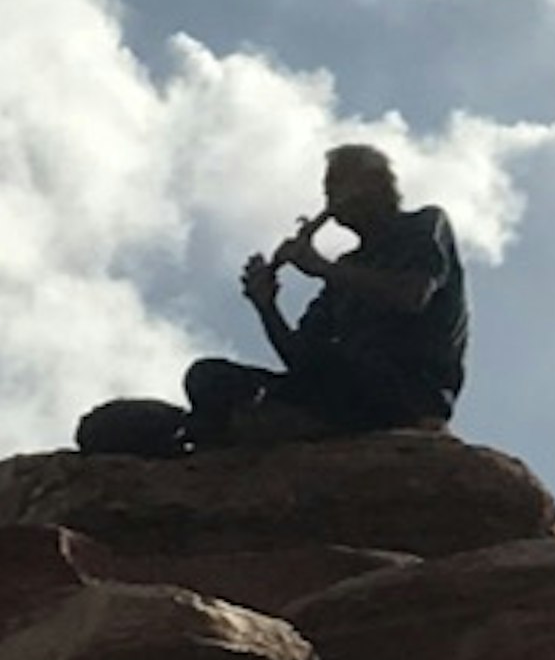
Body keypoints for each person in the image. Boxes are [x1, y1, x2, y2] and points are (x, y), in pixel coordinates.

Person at [75, 140, 469, 459]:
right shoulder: (348, 269)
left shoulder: (424, 225)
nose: (329, 201)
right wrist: (266, 305)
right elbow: (303, 360)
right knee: (208, 376)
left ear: (371, 185)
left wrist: (322, 268)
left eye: (336, 188)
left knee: (257, 405)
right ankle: (258, 428)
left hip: (407, 394)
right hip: (343, 394)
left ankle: (250, 431)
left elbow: (412, 295)